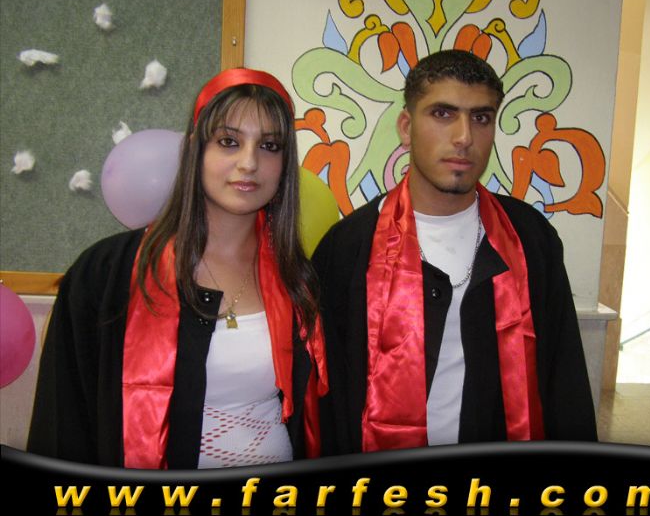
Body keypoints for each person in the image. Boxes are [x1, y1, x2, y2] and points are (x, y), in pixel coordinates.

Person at [27, 68, 328, 469]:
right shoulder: (105, 275)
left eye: (269, 146)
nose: (249, 162)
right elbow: (63, 424)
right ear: (194, 151)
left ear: (285, 164)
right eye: (228, 142)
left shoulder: (298, 279)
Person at [312, 50, 597, 455]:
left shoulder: (530, 240)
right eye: (443, 114)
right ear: (406, 127)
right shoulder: (348, 248)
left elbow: (564, 379)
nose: (464, 137)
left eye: (481, 118)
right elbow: (327, 400)